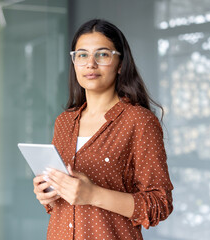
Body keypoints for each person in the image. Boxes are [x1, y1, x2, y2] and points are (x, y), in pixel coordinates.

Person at [33, 19, 174, 240]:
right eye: (82, 55)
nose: (90, 63)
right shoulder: (64, 122)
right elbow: (61, 201)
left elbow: (159, 204)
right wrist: (47, 193)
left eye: (103, 54)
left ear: (120, 64)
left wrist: (93, 194)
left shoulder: (139, 121)